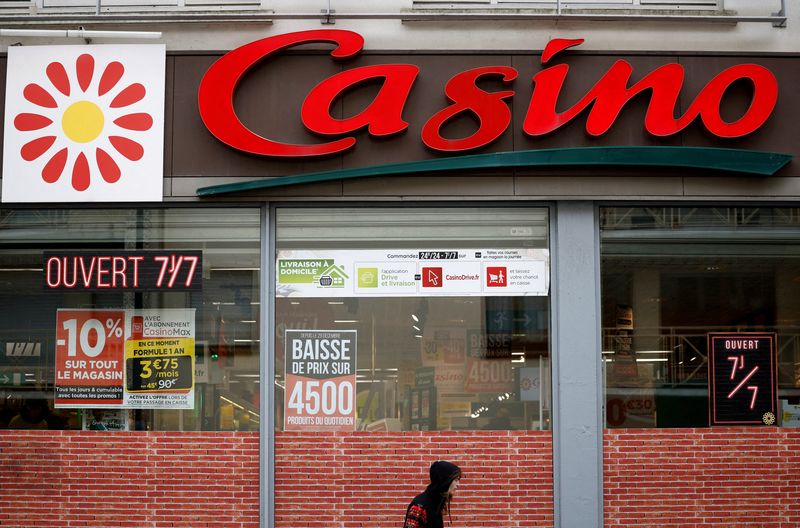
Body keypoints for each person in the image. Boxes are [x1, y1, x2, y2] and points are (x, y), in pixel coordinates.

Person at [403, 460, 462, 528]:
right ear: (445, 480)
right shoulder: (419, 506)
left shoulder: (436, 502)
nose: (458, 484)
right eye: (456, 480)